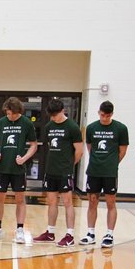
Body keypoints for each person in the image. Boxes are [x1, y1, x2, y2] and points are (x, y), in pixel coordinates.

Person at [0, 96, 38, 243]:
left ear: (18, 111)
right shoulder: (0, 123)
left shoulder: (27, 123)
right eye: (8, 113)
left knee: (20, 199)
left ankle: (20, 229)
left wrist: (25, 158)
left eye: (12, 114)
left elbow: (34, 145)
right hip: (2, 167)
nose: (10, 116)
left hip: (18, 168)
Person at [34, 98, 84, 247]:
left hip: (64, 171)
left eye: (56, 115)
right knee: (51, 202)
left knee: (68, 202)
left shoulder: (72, 127)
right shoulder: (49, 126)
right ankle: (50, 232)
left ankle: (70, 235)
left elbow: (79, 151)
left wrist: (68, 166)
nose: (54, 118)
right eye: (52, 115)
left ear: (63, 111)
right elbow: (50, 146)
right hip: (51, 170)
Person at [79, 100, 128, 248]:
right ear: (98, 112)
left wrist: (111, 164)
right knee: (92, 201)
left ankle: (109, 234)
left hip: (110, 172)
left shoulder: (120, 128)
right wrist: (98, 161)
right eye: (102, 115)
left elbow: (122, 151)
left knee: (110, 202)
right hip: (94, 170)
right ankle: (90, 233)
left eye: (107, 116)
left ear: (111, 114)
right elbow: (90, 148)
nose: (104, 118)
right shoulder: (92, 127)